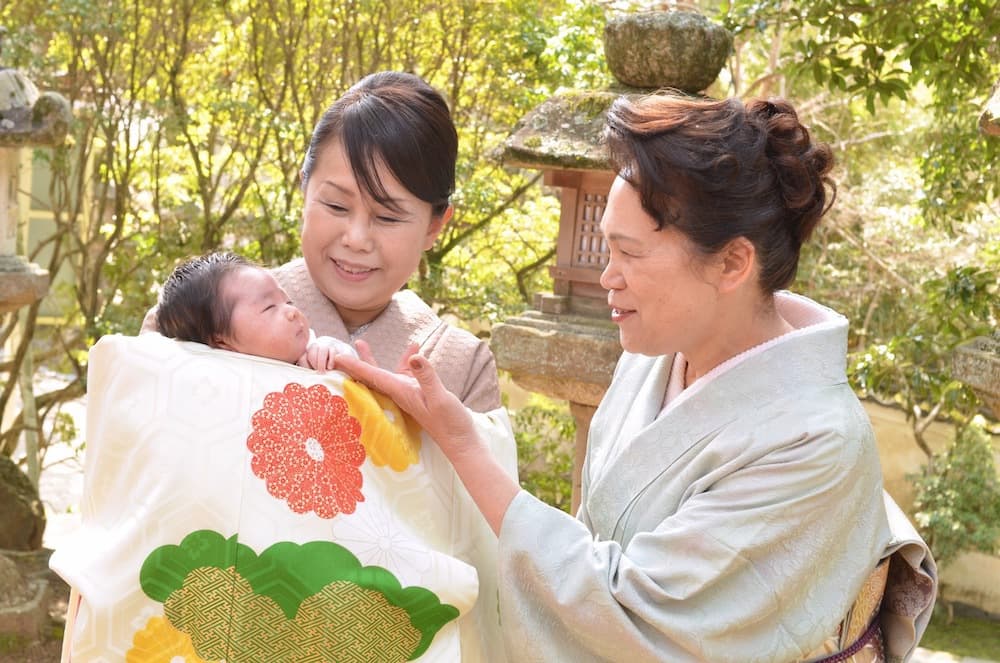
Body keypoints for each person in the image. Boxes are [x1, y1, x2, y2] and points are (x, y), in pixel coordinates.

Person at [335, 93, 937, 662]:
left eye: (630, 254)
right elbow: (593, 551)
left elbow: (635, 617)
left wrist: (463, 443)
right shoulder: (652, 356)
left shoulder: (817, 440)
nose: (607, 278)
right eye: (605, 250)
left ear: (731, 262)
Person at [139, 71, 514, 661]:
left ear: (438, 224)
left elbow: (484, 548)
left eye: (388, 218)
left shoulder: (459, 364)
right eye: (336, 205)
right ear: (304, 184)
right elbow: (142, 488)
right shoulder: (206, 317)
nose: (356, 238)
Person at [156, 251, 356, 370]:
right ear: (221, 342)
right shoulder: (222, 379)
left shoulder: (312, 351)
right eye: (269, 307)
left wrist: (332, 351)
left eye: (288, 301)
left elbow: (352, 370)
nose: (292, 312)